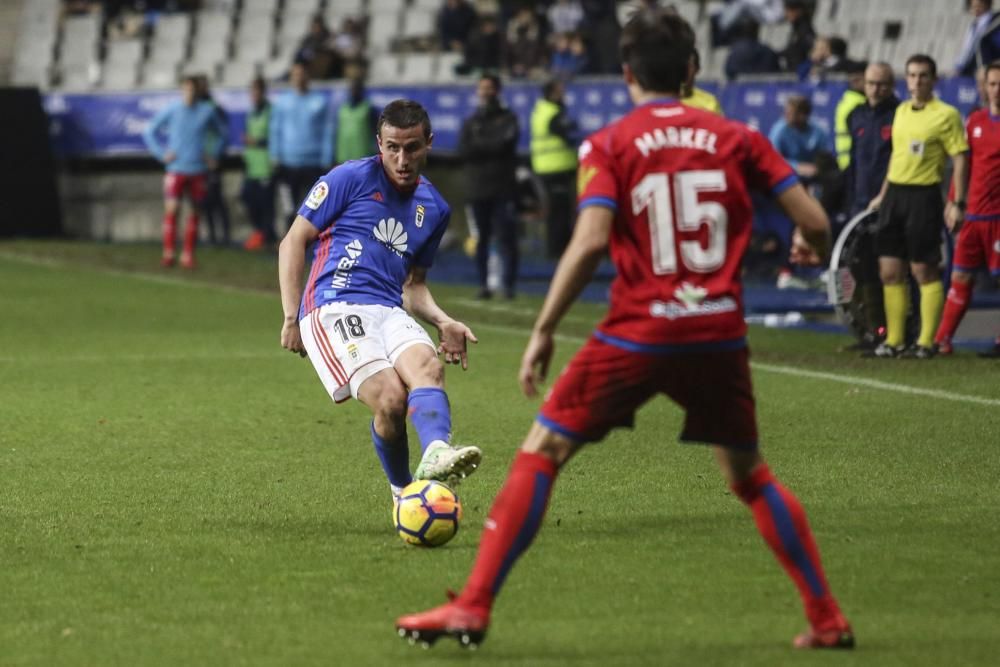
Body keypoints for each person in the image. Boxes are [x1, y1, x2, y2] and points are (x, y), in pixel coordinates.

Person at [396, 8, 853, 652]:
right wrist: (809, 246)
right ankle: (827, 617)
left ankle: (472, 605)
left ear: (626, 72)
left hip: (638, 332)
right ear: (693, 69)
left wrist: (545, 328)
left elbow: (588, 244)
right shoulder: (737, 137)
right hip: (718, 332)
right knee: (750, 477)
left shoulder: (610, 143)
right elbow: (814, 220)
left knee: (541, 453)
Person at [278, 99, 483, 503]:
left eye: (411, 147)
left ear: (428, 143)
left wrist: (443, 321)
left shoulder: (435, 207)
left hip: (389, 307)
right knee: (391, 399)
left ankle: (438, 452)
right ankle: (404, 492)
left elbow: (413, 286)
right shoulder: (349, 178)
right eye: (392, 147)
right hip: (334, 304)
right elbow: (293, 241)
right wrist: (290, 316)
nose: (401, 158)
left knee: (427, 365)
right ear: (379, 143)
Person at [866, 54, 969, 359]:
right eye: (911, 75)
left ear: (934, 80)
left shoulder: (946, 115)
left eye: (923, 76)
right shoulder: (900, 111)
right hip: (894, 195)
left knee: (923, 270)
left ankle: (927, 342)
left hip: (923, 196)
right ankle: (895, 340)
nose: (916, 81)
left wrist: (956, 201)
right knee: (889, 270)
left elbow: (960, 158)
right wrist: (883, 194)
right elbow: (897, 156)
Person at [934, 61, 1000, 356]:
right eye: (993, 83)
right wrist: (954, 202)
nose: (997, 90)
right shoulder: (974, 122)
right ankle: (942, 340)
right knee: (960, 277)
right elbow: (964, 167)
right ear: (985, 87)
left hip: (999, 218)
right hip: (973, 216)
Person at [142, 75, 228, 268]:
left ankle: (188, 254)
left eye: (192, 90)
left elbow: (222, 134)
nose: (189, 93)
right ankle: (169, 252)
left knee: (195, 212)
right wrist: (161, 153)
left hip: (197, 169)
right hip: (176, 169)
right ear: (182, 90)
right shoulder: (173, 109)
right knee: (172, 210)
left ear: (197, 91)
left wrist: (212, 154)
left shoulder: (206, 111)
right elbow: (149, 131)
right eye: (186, 89)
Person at [458, 73, 521, 300]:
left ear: (497, 90)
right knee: (481, 239)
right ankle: (484, 284)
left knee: (506, 238)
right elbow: (464, 151)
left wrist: (481, 144)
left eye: (488, 88)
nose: (484, 92)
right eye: (481, 88)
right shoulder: (471, 121)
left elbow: (506, 143)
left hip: (503, 188)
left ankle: (508, 285)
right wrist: (491, 144)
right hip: (478, 188)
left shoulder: (508, 118)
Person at [269, 61, 335, 236]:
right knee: (289, 207)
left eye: (301, 74)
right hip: (288, 163)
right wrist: (275, 155)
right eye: (295, 75)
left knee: (314, 207)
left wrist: (326, 158)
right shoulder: (282, 101)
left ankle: (315, 246)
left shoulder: (319, 101)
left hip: (313, 163)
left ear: (308, 76)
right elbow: (276, 129)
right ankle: (289, 245)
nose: (298, 78)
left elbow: (327, 131)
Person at [530, 78, 579, 258]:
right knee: (560, 214)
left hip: (549, 167)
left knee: (558, 212)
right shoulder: (553, 114)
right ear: (551, 93)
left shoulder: (542, 110)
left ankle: (558, 250)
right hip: (555, 168)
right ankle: (558, 252)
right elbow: (570, 134)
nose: (563, 94)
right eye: (559, 91)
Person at [846, 62, 899, 217]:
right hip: (858, 201)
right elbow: (853, 159)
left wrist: (885, 195)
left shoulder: (901, 114)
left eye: (881, 84)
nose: (875, 89)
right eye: (870, 83)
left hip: (889, 200)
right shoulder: (855, 115)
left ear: (892, 85)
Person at [195, 74, 232, 248]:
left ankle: (224, 236)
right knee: (204, 200)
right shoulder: (194, 108)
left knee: (216, 199)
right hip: (198, 161)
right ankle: (211, 237)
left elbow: (223, 134)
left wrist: (215, 156)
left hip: (211, 161)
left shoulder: (212, 108)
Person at [241, 77, 276, 252]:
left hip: (265, 165)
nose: (254, 95)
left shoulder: (270, 112)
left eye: (257, 91)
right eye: (252, 91)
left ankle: (266, 236)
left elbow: (274, 136)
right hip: (252, 165)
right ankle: (260, 232)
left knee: (266, 203)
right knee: (247, 197)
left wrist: (256, 141)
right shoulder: (251, 113)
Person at [334, 77, 378, 165]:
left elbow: (376, 132)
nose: (354, 91)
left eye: (356, 88)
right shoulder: (343, 109)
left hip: (363, 159)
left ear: (361, 90)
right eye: (351, 88)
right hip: (343, 158)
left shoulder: (368, 108)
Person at [833, 60, 867, 170]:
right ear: (856, 80)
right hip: (854, 163)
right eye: (868, 80)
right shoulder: (857, 104)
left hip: (849, 162)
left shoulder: (849, 100)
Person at [954, 0, 994, 77]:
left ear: (987, 4)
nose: (975, 9)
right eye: (973, 7)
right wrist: (959, 65)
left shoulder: (995, 22)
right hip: (969, 68)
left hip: (986, 67)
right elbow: (967, 48)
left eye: (978, 6)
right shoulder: (974, 25)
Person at [683, 48, 723, 114]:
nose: (683, 70)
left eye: (689, 66)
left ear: (697, 69)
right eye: (680, 66)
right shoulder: (662, 99)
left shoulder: (710, 103)